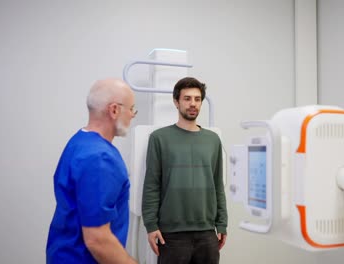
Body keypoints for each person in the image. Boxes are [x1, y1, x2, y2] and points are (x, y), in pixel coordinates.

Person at [46, 78, 138, 264]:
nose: (132, 115)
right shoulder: (100, 158)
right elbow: (97, 239)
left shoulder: (79, 141)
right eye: (131, 109)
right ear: (114, 110)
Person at [141, 77, 228, 264]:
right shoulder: (159, 138)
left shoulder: (213, 140)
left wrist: (222, 223)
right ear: (176, 102)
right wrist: (150, 225)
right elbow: (151, 184)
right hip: (171, 235)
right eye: (187, 98)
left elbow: (217, 183)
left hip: (207, 233)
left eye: (197, 99)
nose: (193, 104)